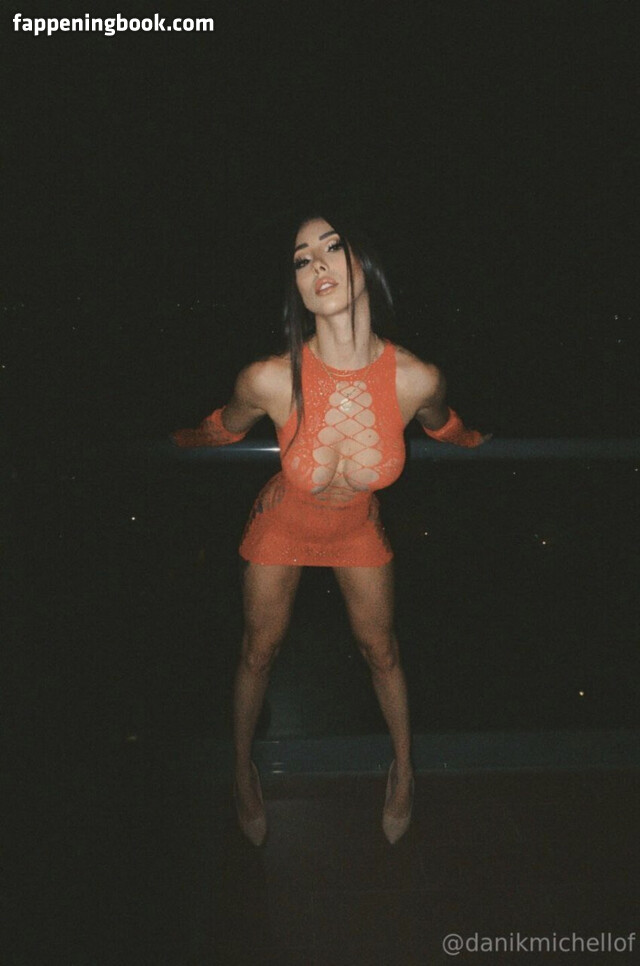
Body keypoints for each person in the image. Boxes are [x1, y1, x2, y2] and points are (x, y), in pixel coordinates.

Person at [172, 212, 489, 846]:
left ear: (363, 262)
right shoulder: (268, 377)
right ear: (296, 286)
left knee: (383, 653)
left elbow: (446, 426)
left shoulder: (416, 378)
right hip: (281, 523)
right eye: (301, 258)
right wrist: (166, 440)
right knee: (257, 652)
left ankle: (405, 772)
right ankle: (241, 771)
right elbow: (218, 430)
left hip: (356, 529)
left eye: (332, 246)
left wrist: (483, 441)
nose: (316, 264)